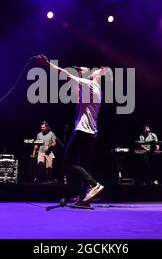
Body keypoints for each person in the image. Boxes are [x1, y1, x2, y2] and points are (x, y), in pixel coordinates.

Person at [36, 54, 112, 204]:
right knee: (84, 165)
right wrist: (80, 76)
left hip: (83, 131)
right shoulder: (96, 90)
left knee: (66, 162)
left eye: (95, 71)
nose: (92, 70)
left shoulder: (89, 84)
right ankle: (84, 198)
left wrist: (47, 64)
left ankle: (93, 184)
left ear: (98, 76)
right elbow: (78, 101)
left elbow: (65, 73)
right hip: (91, 133)